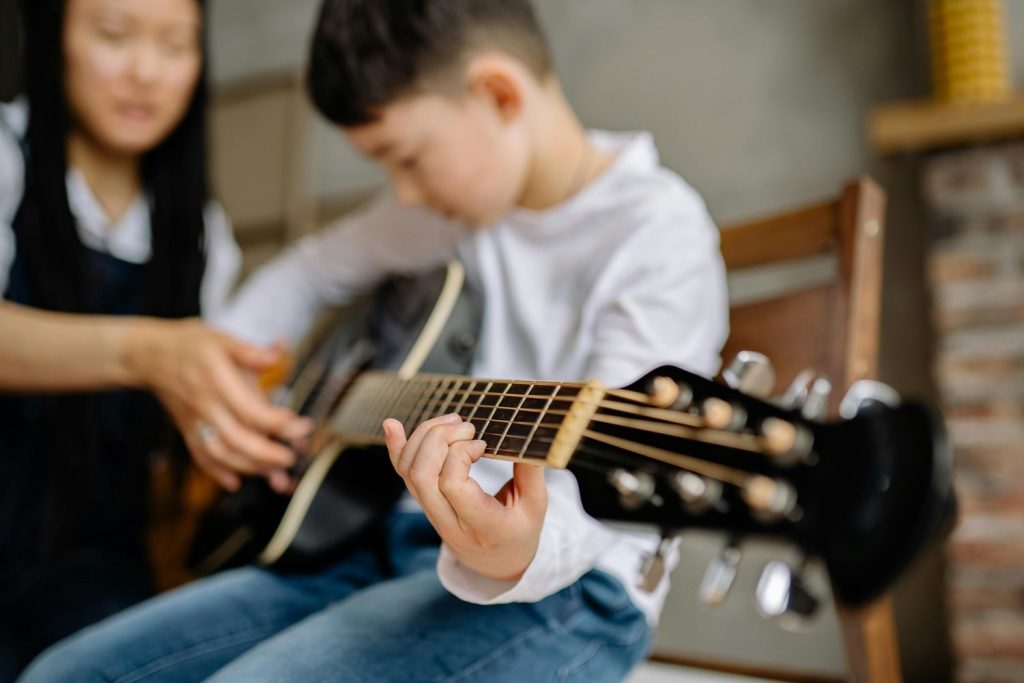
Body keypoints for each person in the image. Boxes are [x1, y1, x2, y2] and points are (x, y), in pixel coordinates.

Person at [21, 0, 729, 681]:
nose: (405, 193)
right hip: (370, 549)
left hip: (565, 588)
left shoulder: (655, 234)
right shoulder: (458, 209)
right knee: (66, 670)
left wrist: (518, 547)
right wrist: (230, 384)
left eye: (406, 158)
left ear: (498, 95)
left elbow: (602, 490)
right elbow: (310, 269)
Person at [0, 0, 310, 677]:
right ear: (54, 38)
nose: (146, 73)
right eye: (114, 35)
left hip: (92, 562)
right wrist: (148, 351)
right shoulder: (6, 155)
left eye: (176, 46)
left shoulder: (198, 228)